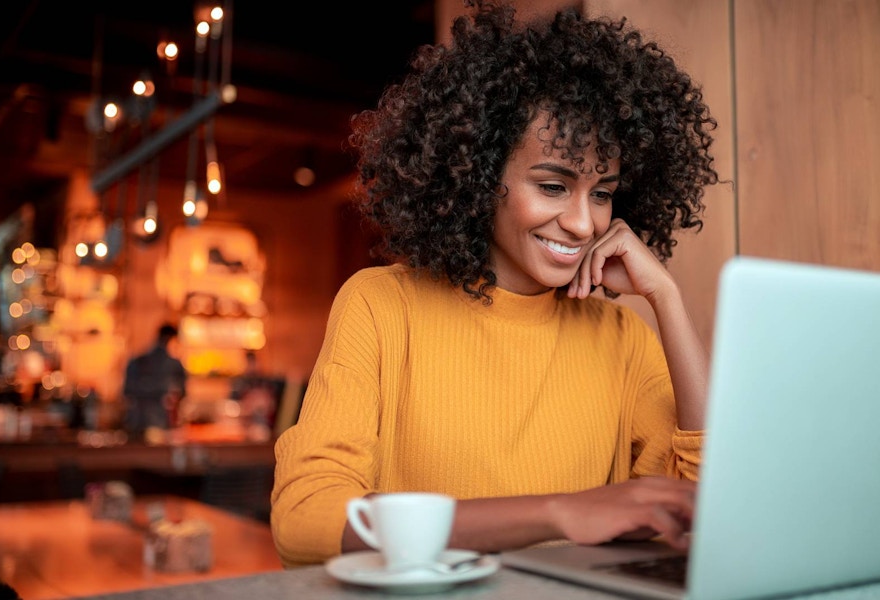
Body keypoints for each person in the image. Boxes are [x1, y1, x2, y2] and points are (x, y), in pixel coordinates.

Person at [271, 0, 720, 568]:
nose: (585, 223)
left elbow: (704, 510)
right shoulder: (382, 306)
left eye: (602, 193)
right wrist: (558, 513)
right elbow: (305, 519)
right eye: (553, 186)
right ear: (481, 177)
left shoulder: (622, 336)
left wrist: (667, 300)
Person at [121, 323, 187, 437]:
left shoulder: (137, 361)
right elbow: (182, 393)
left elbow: (126, 391)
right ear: (170, 339)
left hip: (137, 423)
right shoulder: (173, 364)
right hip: (158, 423)